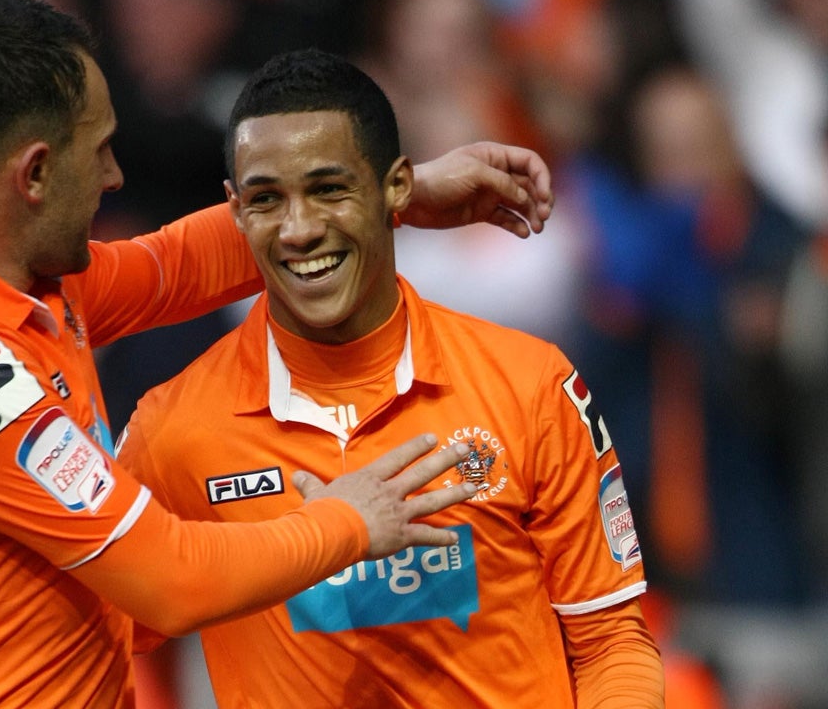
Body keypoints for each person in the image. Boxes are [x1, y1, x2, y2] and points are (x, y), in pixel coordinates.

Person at [0, 0, 556, 709]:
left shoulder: (10, 284)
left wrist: (388, 195)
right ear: (34, 173)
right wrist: (350, 521)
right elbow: (170, 578)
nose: (115, 175)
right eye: (99, 150)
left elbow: (174, 267)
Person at [118, 48, 663, 708]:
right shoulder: (173, 429)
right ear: (234, 211)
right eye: (267, 199)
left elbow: (610, 640)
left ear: (398, 187)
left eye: (329, 189)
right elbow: (92, 640)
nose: (300, 230)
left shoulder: (530, 386)